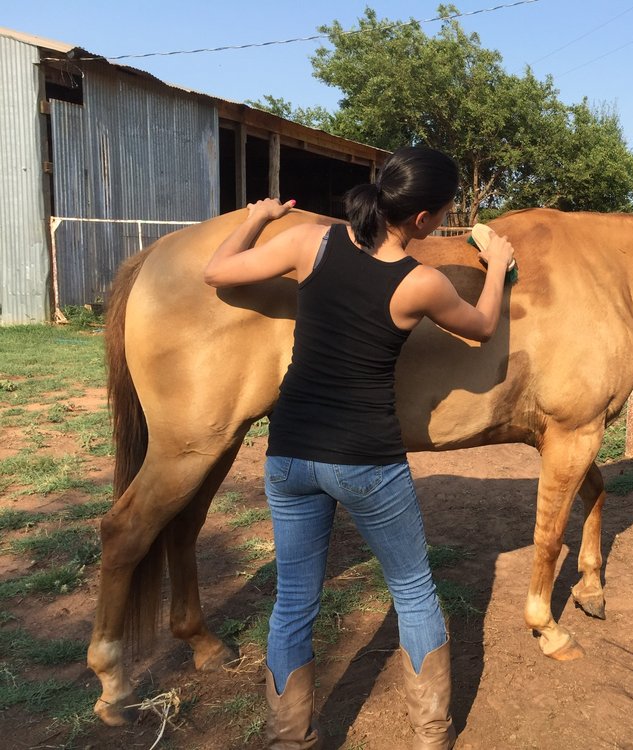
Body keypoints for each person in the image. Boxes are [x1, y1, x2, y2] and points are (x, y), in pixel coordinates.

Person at [203, 146, 515, 749]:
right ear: (425, 219)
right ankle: (430, 737)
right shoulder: (420, 282)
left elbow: (217, 273)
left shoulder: (310, 245)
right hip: (367, 461)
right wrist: (497, 266)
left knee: (294, 601)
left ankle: (287, 738)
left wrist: (256, 216)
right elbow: (480, 328)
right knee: (415, 591)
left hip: (289, 453)